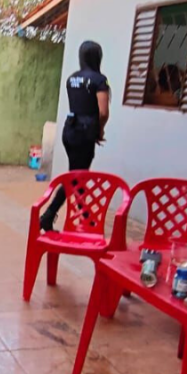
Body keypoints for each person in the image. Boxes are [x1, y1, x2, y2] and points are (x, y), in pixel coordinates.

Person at [40, 39, 110, 232]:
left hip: (70, 130)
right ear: (98, 57)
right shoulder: (99, 80)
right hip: (85, 133)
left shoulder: (72, 79)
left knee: (76, 176)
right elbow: (103, 112)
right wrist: (100, 130)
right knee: (76, 177)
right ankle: (49, 215)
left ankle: (85, 217)